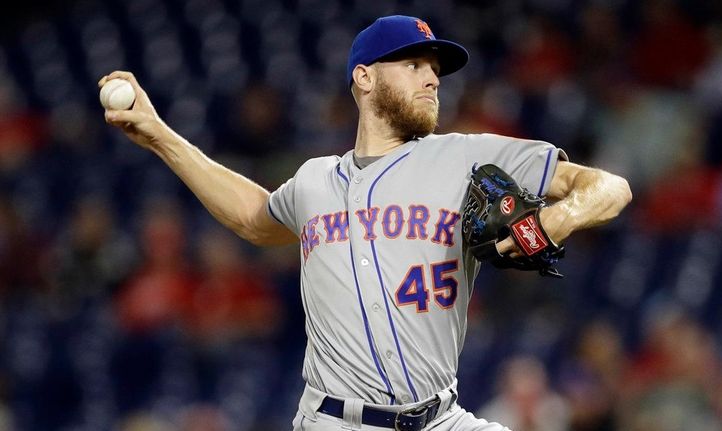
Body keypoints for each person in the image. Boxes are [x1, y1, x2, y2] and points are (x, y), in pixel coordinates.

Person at [101, 14, 631, 431]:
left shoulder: (467, 156)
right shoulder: (313, 181)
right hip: (333, 421)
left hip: (440, 418)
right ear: (365, 77)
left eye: (435, 70)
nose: (432, 79)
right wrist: (159, 136)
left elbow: (610, 187)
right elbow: (254, 218)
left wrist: (555, 221)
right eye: (415, 65)